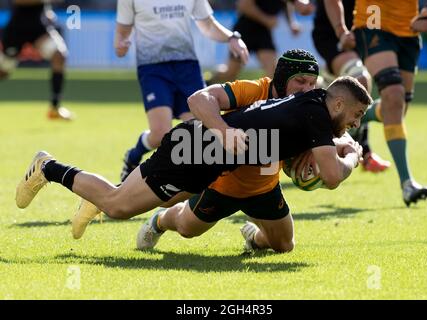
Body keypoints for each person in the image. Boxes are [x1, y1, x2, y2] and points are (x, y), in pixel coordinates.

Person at [16, 76, 371, 243]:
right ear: (337, 104)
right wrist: (353, 155)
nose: (355, 124)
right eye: (355, 115)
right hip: (194, 152)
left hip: (207, 159)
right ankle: (47, 167)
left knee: (121, 199)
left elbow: (307, 139)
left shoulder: (313, 105)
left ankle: (86, 195)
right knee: (117, 205)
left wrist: (340, 141)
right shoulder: (316, 116)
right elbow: (331, 176)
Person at [135, 49, 357, 253]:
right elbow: (201, 98)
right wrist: (223, 131)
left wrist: (336, 145)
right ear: (282, 79)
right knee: (186, 228)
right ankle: (160, 221)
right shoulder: (254, 90)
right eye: (300, 81)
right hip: (223, 183)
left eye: (312, 83)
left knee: (284, 245)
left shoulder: (310, 106)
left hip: (264, 187)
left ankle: (254, 239)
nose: (307, 89)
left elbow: (334, 128)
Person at [115, 0, 249, 182]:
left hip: (187, 68)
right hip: (153, 68)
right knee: (160, 133)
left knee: (199, 133)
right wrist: (121, 44)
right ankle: (133, 156)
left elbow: (208, 25)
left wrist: (232, 38)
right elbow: (122, 32)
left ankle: (189, 186)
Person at [329, 0, 427, 206]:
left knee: (397, 109)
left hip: (409, 30)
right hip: (373, 23)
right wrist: (341, 30)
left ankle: (359, 117)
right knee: (394, 95)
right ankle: (407, 183)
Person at [312, 0, 391, 173]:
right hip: (332, 32)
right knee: (360, 78)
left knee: (325, 92)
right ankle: (360, 149)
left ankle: (360, 150)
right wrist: (341, 31)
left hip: (358, 34)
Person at [206, 0, 315, 83]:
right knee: (230, 73)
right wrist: (266, 20)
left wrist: (292, 22)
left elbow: (288, 2)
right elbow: (244, 5)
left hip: (263, 32)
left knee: (273, 72)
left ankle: (267, 105)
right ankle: (206, 82)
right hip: (245, 30)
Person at [0, 0, 73, 120]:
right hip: (17, 29)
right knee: (3, 72)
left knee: (59, 56)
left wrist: (48, 11)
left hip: (39, 27)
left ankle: (55, 108)